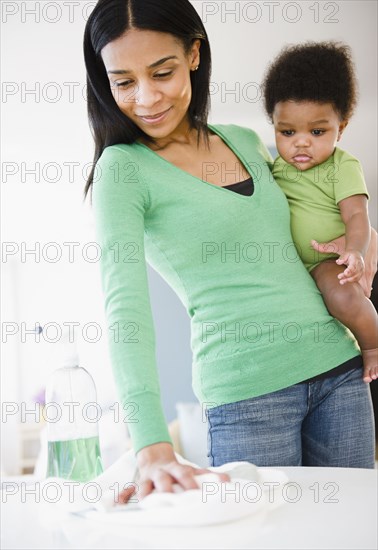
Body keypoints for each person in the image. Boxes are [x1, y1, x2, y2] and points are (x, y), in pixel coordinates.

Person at [83, 0, 377, 503]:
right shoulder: (122, 168)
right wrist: (151, 443)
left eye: (162, 72)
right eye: (124, 81)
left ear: (194, 55)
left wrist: (360, 248)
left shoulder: (248, 141)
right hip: (247, 393)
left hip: (338, 370)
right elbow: (124, 307)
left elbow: (314, 221)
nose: (147, 97)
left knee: (350, 530)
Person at [262, 41, 378, 384]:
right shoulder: (274, 169)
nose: (300, 142)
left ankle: (372, 345)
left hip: (329, 261)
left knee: (342, 295)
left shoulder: (342, 167)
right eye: (287, 132)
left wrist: (356, 252)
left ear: (340, 128)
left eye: (317, 131)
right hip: (292, 272)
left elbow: (357, 216)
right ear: (274, 125)